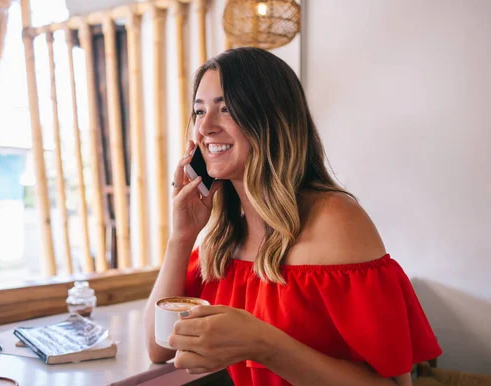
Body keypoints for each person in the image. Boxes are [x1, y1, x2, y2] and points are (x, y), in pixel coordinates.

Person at [143, 47, 442, 386]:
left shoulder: (336, 220)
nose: (206, 127)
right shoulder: (225, 238)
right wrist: (181, 237)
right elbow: (158, 347)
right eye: (199, 111)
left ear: (272, 119)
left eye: (227, 109)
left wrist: (263, 343)